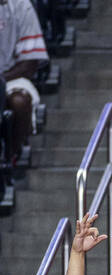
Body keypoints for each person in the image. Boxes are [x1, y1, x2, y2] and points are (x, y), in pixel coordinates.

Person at [0, 0, 47, 169]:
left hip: (11, 77)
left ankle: (11, 157)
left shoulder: (21, 5)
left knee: (20, 102)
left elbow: (30, 64)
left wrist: (1, 80)